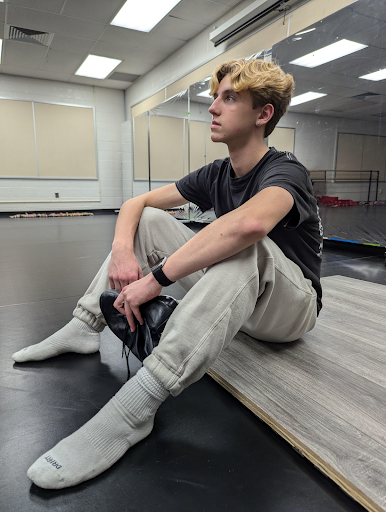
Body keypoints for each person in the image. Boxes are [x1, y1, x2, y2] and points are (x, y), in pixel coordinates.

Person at [12, 58, 323, 489]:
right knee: (153, 220)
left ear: (263, 114)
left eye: (229, 98)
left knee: (246, 246)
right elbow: (135, 205)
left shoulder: (286, 170)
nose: (213, 107)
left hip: (289, 309)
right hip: (240, 297)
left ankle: (136, 407)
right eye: (215, 96)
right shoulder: (217, 173)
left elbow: (249, 227)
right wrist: (124, 251)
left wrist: (154, 278)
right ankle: (84, 326)